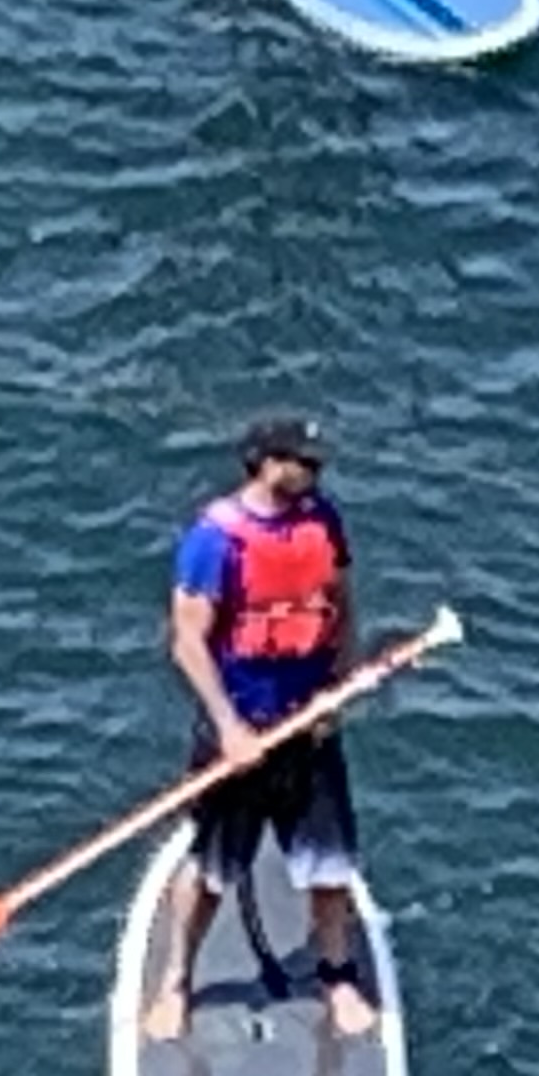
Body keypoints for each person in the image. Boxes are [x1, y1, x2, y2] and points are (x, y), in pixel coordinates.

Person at [141, 415, 381, 1043]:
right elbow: (188, 642)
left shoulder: (323, 520)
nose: (314, 472)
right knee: (212, 870)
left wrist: (340, 684)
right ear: (266, 463)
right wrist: (229, 728)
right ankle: (176, 981)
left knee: (329, 865)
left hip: (309, 725)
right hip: (240, 731)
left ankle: (337, 976)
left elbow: (341, 603)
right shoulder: (214, 540)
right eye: (304, 462)